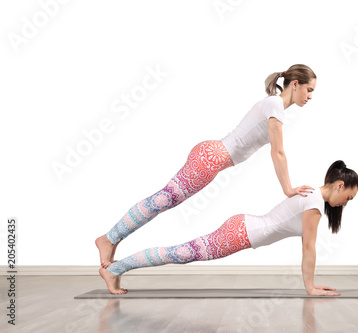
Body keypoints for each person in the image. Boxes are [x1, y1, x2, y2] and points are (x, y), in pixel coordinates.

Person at [96, 64, 318, 268]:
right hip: (210, 159)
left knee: (162, 201)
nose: (310, 96)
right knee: (161, 201)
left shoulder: (274, 106)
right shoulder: (275, 105)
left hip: (209, 157)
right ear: (295, 84)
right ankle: (108, 239)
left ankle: (111, 242)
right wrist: (288, 189)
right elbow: (278, 152)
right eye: (309, 90)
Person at [99, 160, 358, 296]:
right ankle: (115, 269)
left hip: (242, 229)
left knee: (180, 253)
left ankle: (116, 268)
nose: (346, 204)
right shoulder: (315, 202)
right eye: (349, 198)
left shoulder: (313, 195)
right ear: (340, 185)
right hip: (240, 233)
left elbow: (307, 247)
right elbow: (309, 249)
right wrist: (311, 288)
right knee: (179, 254)